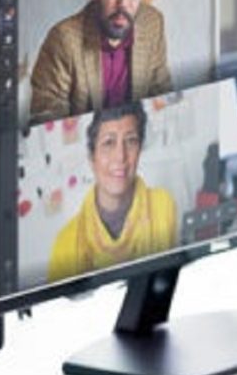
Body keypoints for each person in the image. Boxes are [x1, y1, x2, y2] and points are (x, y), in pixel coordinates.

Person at [29, 0, 173, 120]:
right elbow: (47, 121)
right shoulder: (62, 40)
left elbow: (162, 96)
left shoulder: (153, 23)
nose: (123, 3)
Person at [48, 101, 178, 280]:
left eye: (130, 141)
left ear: (139, 150)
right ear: (92, 158)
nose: (120, 156)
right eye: (109, 143)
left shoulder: (163, 206)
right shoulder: (65, 243)